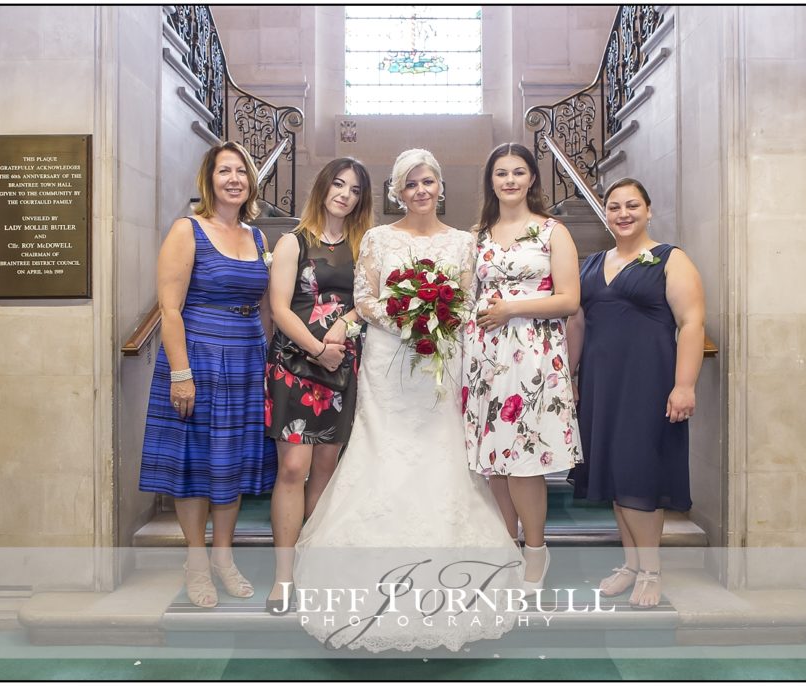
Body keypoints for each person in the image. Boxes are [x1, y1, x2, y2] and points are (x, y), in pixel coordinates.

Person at [292, 149, 520, 652]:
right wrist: (409, 321)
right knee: (382, 450)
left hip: (442, 360)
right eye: (411, 183)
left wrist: (437, 322)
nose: (421, 190)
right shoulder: (377, 237)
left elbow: (465, 297)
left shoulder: (464, 242)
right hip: (388, 360)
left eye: (428, 181)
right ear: (398, 191)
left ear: (441, 186)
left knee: (441, 454)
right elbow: (366, 298)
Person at [139, 142, 273, 608]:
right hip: (196, 355)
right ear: (209, 179)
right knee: (195, 464)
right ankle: (196, 561)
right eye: (224, 171)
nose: (233, 178)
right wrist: (181, 373)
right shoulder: (187, 229)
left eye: (241, 171)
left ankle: (223, 557)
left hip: (244, 358)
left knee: (231, 461)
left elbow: (262, 305)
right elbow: (169, 309)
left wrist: (266, 362)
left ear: (251, 181)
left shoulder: (257, 238)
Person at [567, 177, 705, 609]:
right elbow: (579, 324)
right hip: (601, 385)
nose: (622, 214)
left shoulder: (670, 258)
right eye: (614, 207)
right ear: (604, 213)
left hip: (649, 383)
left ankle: (651, 570)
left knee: (640, 477)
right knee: (615, 478)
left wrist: (685, 385)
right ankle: (629, 565)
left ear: (648, 210)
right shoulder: (591, 264)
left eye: (632, 206)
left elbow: (692, 324)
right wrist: (571, 376)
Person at [462, 143, 582, 590]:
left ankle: (536, 550)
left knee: (525, 462)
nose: (509, 180)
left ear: (532, 178)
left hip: (533, 354)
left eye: (518, 172)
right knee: (493, 461)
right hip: (485, 356)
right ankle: (505, 547)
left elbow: (570, 299)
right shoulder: (478, 236)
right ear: (490, 182)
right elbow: (467, 297)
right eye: (500, 173)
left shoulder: (552, 232)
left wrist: (512, 309)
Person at [265, 158, 374, 611]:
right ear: (323, 187)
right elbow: (279, 309)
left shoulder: (364, 246)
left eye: (353, 189)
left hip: (342, 366)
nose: (344, 194)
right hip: (295, 364)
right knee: (293, 467)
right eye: (338, 184)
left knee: (326, 470)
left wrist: (343, 329)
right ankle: (284, 576)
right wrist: (316, 347)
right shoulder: (293, 241)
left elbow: (368, 302)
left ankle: (314, 564)